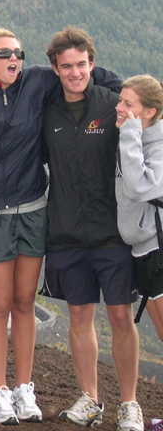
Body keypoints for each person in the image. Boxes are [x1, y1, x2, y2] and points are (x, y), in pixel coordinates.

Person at [0, 28, 120, 424]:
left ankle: (23, 391)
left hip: (33, 208)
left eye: (18, 52)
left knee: (24, 303)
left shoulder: (37, 81)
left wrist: (131, 95)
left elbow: (84, 74)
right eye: (3, 53)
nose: (13, 58)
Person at [42, 27, 143, 431]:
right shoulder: (46, 110)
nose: (74, 73)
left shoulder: (113, 105)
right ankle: (90, 400)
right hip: (65, 232)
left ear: (92, 64)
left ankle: (129, 404)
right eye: (66, 66)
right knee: (79, 314)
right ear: (54, 68)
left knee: (121, 317)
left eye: (81, 64)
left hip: (112, 233)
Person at [115, 75, 163, 345]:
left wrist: (130, 133)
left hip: (159, 249)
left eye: (127, 103)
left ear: (150, 112)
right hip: (145, 252)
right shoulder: (138, 141)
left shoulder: (158, 146)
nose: (119, 107)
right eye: (120, 100)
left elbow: (137, 187)